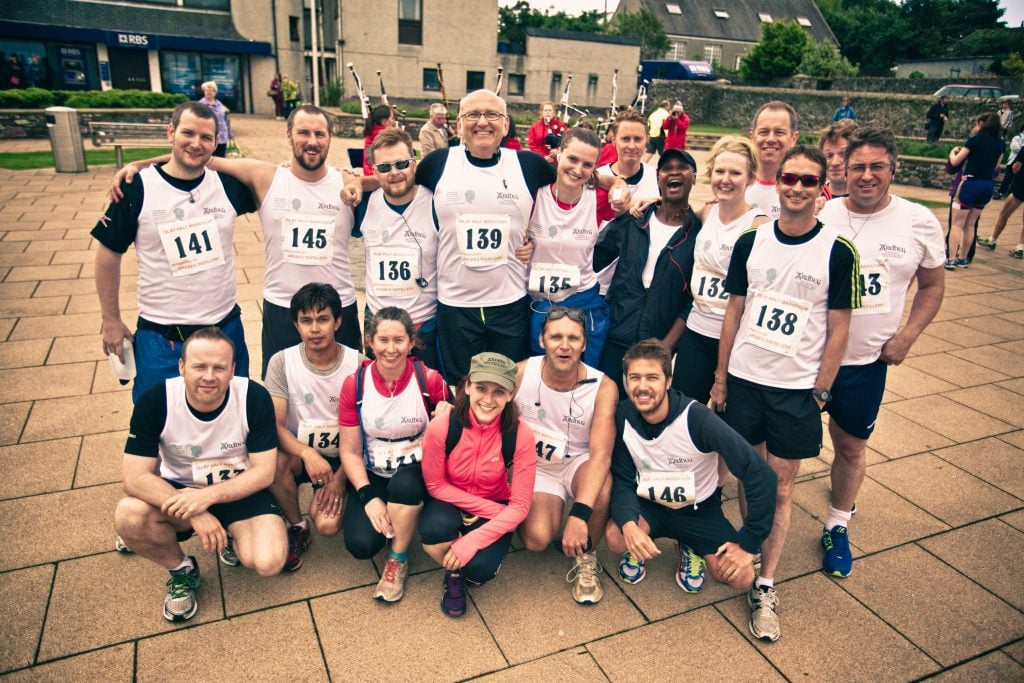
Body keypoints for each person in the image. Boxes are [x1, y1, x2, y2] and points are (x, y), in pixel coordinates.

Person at [711, 145, 860, 642]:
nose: (796, 187)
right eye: (790, 178)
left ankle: (766, 583)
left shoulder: (838, 250)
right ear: (778, 184)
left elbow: (840, 328)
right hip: (747, 381)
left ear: (823, 189)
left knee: (780, 486)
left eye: (808, 181)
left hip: (795, 391)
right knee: (750, 480)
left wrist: (822, 389)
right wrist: (721, 376)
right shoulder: (750, 242)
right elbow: (734, 311)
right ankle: (750, 547)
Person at [110, 105, 361, 373]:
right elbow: (199, 156)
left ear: (330, 138)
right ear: (288, 135)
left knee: (349, 390)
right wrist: (140, 164)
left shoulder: (348, 185)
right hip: (283, 308)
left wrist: (354, 176)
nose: (312, 141)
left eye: (320, 134)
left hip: (339, 307)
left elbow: (392, 180)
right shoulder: (264, 176)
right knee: (283, 394)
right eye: (303, 132)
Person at [818, 127, 945, 578]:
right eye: (858, 167)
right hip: (806, 359)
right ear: (844, 170)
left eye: (876, 167)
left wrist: (908, 335)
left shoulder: (918, 220)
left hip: (865, 363)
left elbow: (932, 284)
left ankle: (837, 523)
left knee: (850, 447)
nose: (866, 176)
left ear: (894, 169)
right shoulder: (823, 211)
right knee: (782, 447)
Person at [113, 327, 287, 622]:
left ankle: (231, 534)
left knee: (269, 562)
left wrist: (207, 498)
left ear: (232, 370)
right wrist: (196, 511)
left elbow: (264, 472)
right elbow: (134, 478)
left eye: (219, 367)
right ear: (181, 366)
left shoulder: (252, 396)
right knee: (128, 516)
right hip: (180, 492)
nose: (209, 376)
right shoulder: (155, 401)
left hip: (238, 489)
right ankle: (181, 569)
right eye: (199, 366)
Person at [94, 102, 256, 402]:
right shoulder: (136, 188)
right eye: (188, 133)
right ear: (170, 132)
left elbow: (275, 179)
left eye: (206, 138)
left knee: (234, 417)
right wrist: (111, 320)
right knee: (156, 425)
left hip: (223, 329)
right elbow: (107, 253)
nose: (196, 143)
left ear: (216, 143)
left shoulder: (227, 186)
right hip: (162, 337)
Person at [607, 339, 777, 594]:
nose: (642, 387)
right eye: (634, 378)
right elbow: (621, 477)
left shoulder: (697, 418)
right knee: (616, 536)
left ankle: (690, 545)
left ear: (668, 381)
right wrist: (629, 524)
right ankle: (640, 544)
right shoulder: (623, 414)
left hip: (698, 511)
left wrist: (750, 543)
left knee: (742, 577)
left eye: (652, 377)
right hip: (650, 506)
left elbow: (759, 473)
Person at [339, 308, 452, 601]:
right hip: (376, 473)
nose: (391, 349)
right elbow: (350, 451)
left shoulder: (430, 380)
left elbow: (459, 426)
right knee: (360, 545)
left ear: (411, 341)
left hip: (419, 474)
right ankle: (399, 515)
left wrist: (449, 414)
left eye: (399, 340)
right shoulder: (355, 384)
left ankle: (398, 557)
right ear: (370, 341)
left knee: (405, 483)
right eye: (383, 340)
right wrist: (367, 497)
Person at [514, 306, 618, 604]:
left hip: (578, 461)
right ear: (542, 340)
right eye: (556, 336)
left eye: (573, 338)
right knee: (536, 541)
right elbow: (483, 400)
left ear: (584, 344)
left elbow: (601, 456)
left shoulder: (603, 386)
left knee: (600, 490)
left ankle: (587, 557)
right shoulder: (522, 372)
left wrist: (580, 514)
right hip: (538, 467)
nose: (564, 345)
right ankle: (533, 507)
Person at [419, 352, 536, 617]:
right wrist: (493, 512)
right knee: (433, 534)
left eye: (499, 392)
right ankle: (454, 577)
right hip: (451, 498)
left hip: (497, 500)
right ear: (468, 386)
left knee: (480, 570)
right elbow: (435, 485)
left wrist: (471, 542)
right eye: (481, 388)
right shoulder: (442, 426)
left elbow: (519, 506)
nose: (488, 399)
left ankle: (463, 568)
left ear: (511, 394)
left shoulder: (521, 435)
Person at [264, 284, 363, 571]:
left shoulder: (358, 364)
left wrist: (340, 479)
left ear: (338, 321)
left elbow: (366, 436)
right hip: (300, 453)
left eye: (323, 319)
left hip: (345, 455)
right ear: (296, 324)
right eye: (306, 321)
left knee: (329, 527)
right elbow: (276, 426)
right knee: (272, 462)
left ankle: (338, 496)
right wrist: (307, 454)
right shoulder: (282, 362)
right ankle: (296, 524)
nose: (315, 329)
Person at [595, 148, 701, 395]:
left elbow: (692, 301)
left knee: (644, 414)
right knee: (605, 406)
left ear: (694, 177)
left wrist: (666, 347)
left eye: (682, 167)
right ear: (658, 178)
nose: (674, 172)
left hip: (657, 345)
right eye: (666, 168)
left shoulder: (699, 234)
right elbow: (593, 258)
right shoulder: (636, 220)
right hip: (616, 335)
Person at [674, 136, 768, 404]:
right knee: (683, 412)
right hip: (696, 331)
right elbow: (675, 210)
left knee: (725, 420)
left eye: (735, 173)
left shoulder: (758, 225)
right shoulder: (708, 212)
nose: (726, 179)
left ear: (749, 178)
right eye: (720, 171)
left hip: (732, 339)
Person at [356, 128, 441, 370]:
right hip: (378, 326)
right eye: (385, 168)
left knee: (428, 399)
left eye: (401, 164)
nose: (394, 173)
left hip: (423, 326)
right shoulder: (364, 203)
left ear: (414, 164)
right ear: (374, 171)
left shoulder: (437, 201)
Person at [526, 127, 611, 365]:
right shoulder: (533, 194)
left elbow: (632, 199)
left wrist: (620, 184)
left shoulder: (599, 198)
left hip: (581, 301)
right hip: (537, 303)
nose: (578, 169)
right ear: (559, 154)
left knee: (577, 377)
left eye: (587, 164)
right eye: (572, 158)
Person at [594, 108, 661, 293]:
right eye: (625, 139)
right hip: (596, 282)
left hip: (635, 288)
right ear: (613, 139)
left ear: (647, 140)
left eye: (638, 139)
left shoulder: (657, 178)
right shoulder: (597, 178)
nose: (632, 145)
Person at [946, 112, 1005, 269]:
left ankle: (951, 258)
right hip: (987, 185)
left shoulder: (974, 141)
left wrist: (952, 152)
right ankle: (963, 258)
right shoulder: (1000, 144)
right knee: (970, 225)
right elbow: (996, 167)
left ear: (981, 124)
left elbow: (956, 161)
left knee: (957, 224)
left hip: (970, 183)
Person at [746, 101, 798, 220]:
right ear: (752, 137)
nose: (770, 139)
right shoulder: (736, 186)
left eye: (779, 133)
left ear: (793, 138)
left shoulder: (804, 190)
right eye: (764, 132)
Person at [979, 140, 1024, 259]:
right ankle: (1021, 247)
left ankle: (992, 239)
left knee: (1004, 213)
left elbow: (1016, 167)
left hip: (1021, 186)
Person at [818, 118, 860, 200]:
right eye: (829, 156)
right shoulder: (813, 198)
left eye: (843, 155)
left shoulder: (869, 200)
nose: (835, 163)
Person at [197, 81, 234, 158]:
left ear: (215, 92)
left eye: (211, 90)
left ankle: (220, 170)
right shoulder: (200, 105)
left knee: (221, 159)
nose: (208, 92)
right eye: (206, 90)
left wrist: (230, 134)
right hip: (210, 137)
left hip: (223, 137)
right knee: (210, 159)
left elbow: (225, 119)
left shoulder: (219, 104)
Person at [363, 104, 396, 175]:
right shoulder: (386, 135)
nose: (394, 121)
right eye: (392, 118)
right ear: (384, 121)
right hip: (381, 175)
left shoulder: (371, 132)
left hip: (369, 173)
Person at [994, 123, 1024, 200]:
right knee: (1008, 177)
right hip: (1014, 160)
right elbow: (1014, 147)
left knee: (1018, 179)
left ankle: (1012, 194)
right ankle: (1001, 192)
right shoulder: (1017, 137)